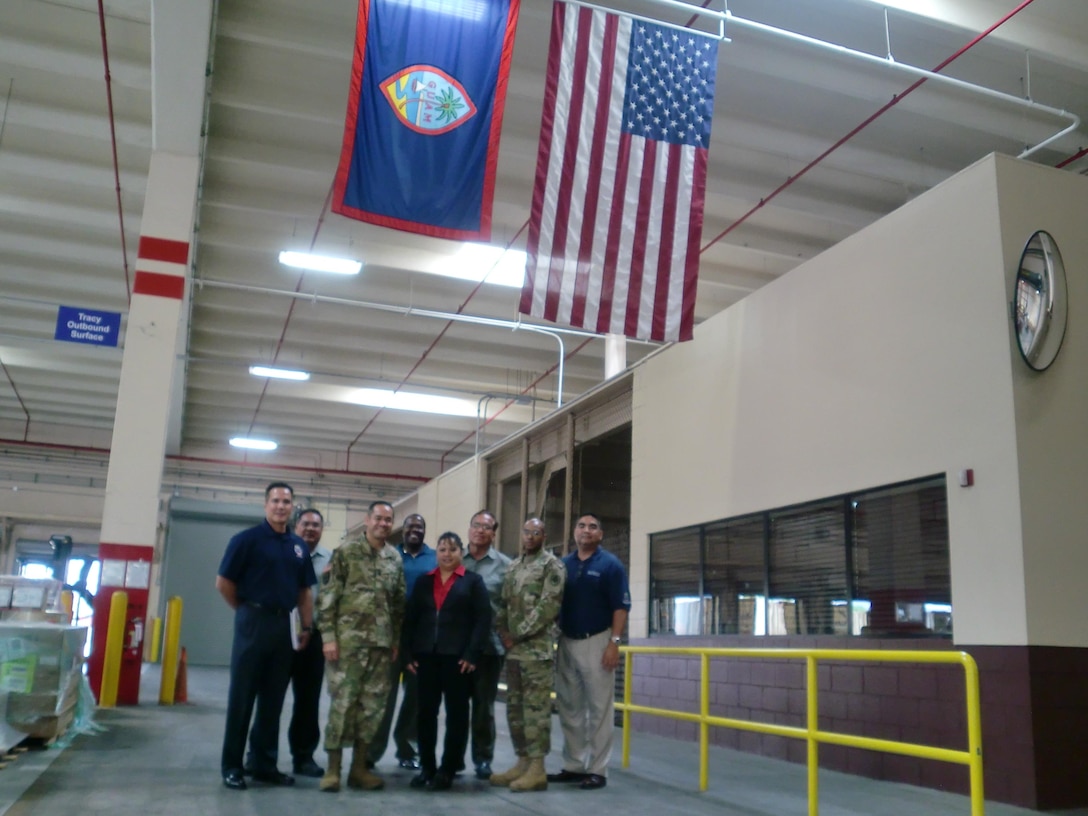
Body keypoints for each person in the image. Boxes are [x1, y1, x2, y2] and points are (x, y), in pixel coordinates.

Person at [216, 482, 317, 791]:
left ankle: (264, 764)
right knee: (242, 698)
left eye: (286, 501)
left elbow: (304, 591)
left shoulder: (298, 546)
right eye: (275, 500)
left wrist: (306, 626)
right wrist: (247, 612)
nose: (281, 506)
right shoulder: (245, 540)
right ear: (265, 505)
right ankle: (232, 766)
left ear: (292, 506)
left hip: (283, 626)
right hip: (253, 621)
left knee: (273, 700)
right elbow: (223, 583)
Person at [317, 500, 406, 793]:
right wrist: (328, 636)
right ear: (367, 520)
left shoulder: (395, 558)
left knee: (372, 709)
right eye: (378, 518)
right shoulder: (346, 552)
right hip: (348, 645)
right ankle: (333, 770)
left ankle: (359, 769)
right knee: (343, 705)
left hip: (381, 647)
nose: (383, 524)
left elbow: (398, 605)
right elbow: (328, 597)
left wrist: (394, 642)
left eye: (388, 520)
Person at [401, 532, 491, 791]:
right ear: (436, 552)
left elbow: (482, 620)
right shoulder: (423, 582)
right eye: (442, 549)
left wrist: (472, 654)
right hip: (425, 658)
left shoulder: (473, 582)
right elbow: (411, 620)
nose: (447, 554)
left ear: (460, 552)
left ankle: (448, 769)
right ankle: (427, 767)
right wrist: (407, 653)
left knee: (457, 716)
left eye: (452, 549)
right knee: (425, 714)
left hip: (458, 660)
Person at [548, 513, 631, 791]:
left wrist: (614, 643)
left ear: (601, 534)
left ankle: (597, 769)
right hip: (567, 642)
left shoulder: (610, 565)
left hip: (598, 641)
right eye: (581, 526)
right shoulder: (564, 565)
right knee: (569, 706)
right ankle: (573, 765)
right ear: (574, 532)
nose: (586, 530)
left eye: (593, 527)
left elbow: (621, 607)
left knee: (599, 709)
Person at [491, 516, 566, 792]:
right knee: (515, 710)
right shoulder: (513, 566)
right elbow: (503, 604)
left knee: (536, 711)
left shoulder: (552, 566)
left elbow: (548, 607)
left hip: (536, 653)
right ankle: (522, 762)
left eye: (536, 532)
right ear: (521, 535)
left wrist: (517, 633)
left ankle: (537, 768)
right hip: (514, 652)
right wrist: (502, 630)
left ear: (544, 536)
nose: (531, 536)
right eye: (527, 532)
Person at [368, 513, 435, 770]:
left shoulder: (433, 558)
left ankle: (407, 749)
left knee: (415, 698)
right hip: (389, 635)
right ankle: (371, 753)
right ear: (403, 530)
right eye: (410, 526)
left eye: (420, 526)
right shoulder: (390, 555)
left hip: (421, 639)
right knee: (383, 697)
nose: (415, 530)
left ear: (424, 531)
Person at [461, 509, 512, 779]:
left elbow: (510, 604)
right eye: (476, 525)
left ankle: (483, 759)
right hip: (455, 645)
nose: (480, 530)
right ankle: (453, 758)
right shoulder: (455, 560)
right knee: (456, 706)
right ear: (469, 529)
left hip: (489, 648)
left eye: (487, 526)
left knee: (483, 706)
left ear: (494, 533)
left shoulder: (505, 565)